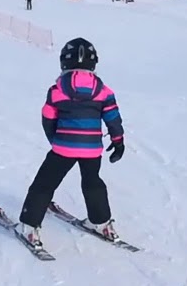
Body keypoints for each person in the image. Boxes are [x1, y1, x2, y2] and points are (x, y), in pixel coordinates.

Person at [16, 37, 124, 247]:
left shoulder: (57, 89)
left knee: (44, 185)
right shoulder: (104, 91)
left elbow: (48, 117)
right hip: (92, 150)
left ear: (63, 61)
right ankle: (102, 223)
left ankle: (30, 227)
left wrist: (55, 140)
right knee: (93, 183)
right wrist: (118, 141)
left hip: (64, 147)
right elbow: (113, 117)